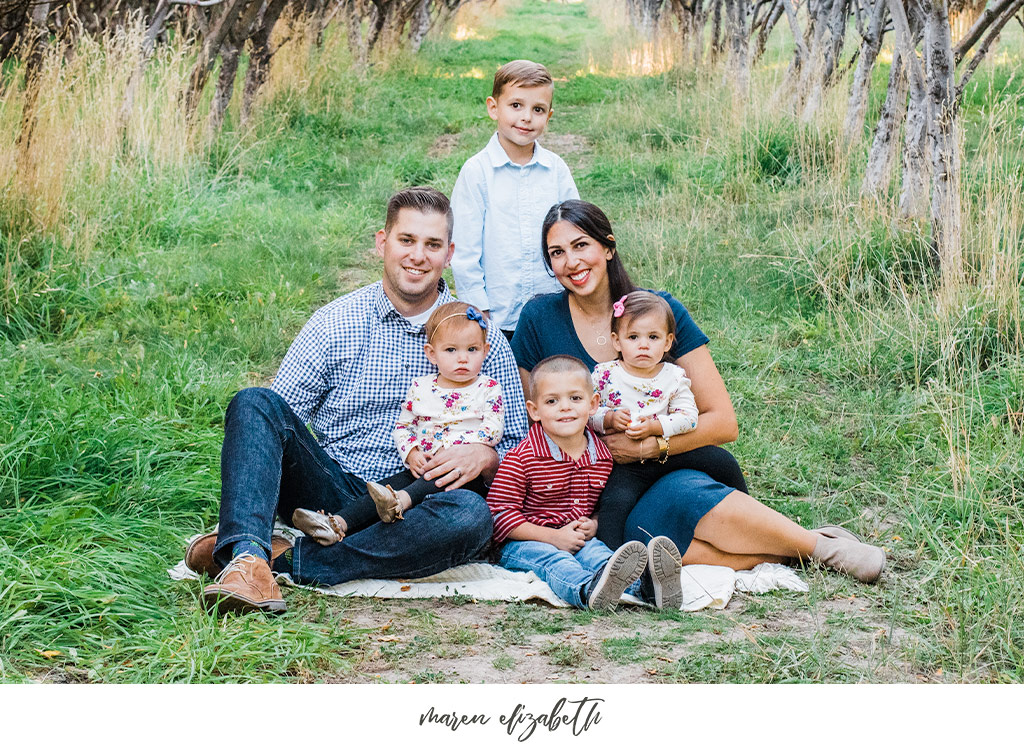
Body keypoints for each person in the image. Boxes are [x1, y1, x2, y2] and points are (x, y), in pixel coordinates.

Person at [184, 187, 528, 615]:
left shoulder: (480, 335)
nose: (418, 256)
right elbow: (278, 422)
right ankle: (249, 559)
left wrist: (485, 456)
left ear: (449, 253)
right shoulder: (336, 321)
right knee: (255, 403)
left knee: (471, 517)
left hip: (424, 501)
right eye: (406, 240)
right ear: (382, 242)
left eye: (432, 244)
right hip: (332, 490)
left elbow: (519, 441)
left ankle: (282, 560)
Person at [511, 199, 886, 583]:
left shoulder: (658, 312)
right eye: (557, 253)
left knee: (681, 493)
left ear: (607, 247)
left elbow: (722, 422)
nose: (571, 262)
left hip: (673, 461)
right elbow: (532, 419)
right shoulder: (539, 320)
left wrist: (649, 447)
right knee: (635, 543)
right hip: (599, 486)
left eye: (581, 245)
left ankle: (823, 549)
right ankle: (791, 553)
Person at [486, 355, 685, 610]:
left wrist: (594, 523)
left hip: (578, 538)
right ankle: (586, 590)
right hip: (525, 542)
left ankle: (647, 588)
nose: (565, 407)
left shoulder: (602, 456)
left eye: (575, 398)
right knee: (556, 561)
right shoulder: (523, 458)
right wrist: (553, 537)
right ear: (534, 411)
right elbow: (499, 515)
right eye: (552, 401)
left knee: (601, 555)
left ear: (593, 404)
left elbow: (603, 504)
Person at [292, 300, 505, 532]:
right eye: (451, 350)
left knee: (446, 494)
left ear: (485, 351)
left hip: (463, 474)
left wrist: (452, 449)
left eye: (472, 350)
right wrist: (412, 452)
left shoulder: (487, 387)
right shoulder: (421, 388)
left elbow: (493, 429)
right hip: (424, 466)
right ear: (432, 354)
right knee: (388, 486)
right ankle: (338, 523)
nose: (462, 358)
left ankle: (400, 503)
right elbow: (404, 426)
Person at [450, 59, 580, 341]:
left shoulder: (556, 170)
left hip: (553, 309)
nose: (526, 118)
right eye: (516, 106)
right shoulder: (477, 173)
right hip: (497, 314)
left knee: (550, 379)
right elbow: (464, 249)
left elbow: (576, 232)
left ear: (549, 116)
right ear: (493, 107)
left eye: (538, 110)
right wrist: (477, 306)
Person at [587, 290, 706, 549]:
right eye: (633, 337)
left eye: (653, 337)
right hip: (623, 463)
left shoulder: (673, 376)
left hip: (666, 454)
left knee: (723, 461)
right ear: (617, 341)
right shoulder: (604, 375)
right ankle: (612, 558)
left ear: (667, 342)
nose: (643, 345)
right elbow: (586, 413)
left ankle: (740, 507)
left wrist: (655, 427)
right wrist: (607, 419)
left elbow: (689, 417)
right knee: (615, 502)